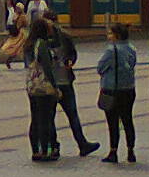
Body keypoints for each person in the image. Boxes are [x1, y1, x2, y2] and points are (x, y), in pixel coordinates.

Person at [50, 20, 99, 157]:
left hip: (65, 82)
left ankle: (81, 144)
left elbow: (72, 53)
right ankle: (54, 147)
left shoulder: (64, 37)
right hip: (50, 85)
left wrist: (71, 60)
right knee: (51, 117)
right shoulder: (40, 40)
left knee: (72, 115)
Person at [96, 23, 138, 163]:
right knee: (128, 120)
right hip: (129, 89)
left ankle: (113, 152)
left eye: (110, 33)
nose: (108, 36)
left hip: (112, 90)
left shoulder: (111, 50)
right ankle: (131, 151)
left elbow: (100, 67)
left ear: (117, 36)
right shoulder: (132, 48)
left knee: (113, 122)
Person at [25, 17, 61, 162]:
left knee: (35, 117)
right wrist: (55, 86)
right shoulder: (42, 45)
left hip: (32, 85)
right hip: (43, 86)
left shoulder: (28, 44)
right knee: (45, 118)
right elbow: (47, 67)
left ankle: (35, 150)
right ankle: (45, 150)